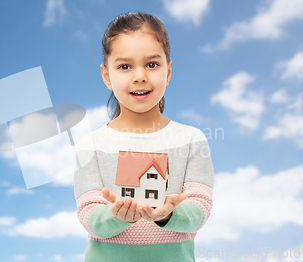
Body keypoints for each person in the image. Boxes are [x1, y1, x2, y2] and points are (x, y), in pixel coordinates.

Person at [73, 12, 214, 262]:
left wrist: (169, 215)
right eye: (125, 66)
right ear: (107, 76)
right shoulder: (91, 145)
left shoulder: (191, 139)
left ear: (168, 71)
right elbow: (89, 216)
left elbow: (200, 208)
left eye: (152, 64)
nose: (140, 76)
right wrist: (115, 215)